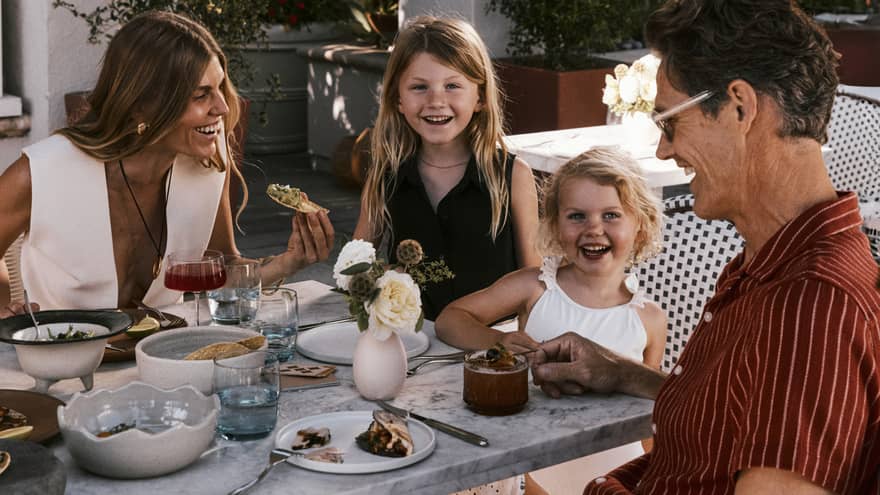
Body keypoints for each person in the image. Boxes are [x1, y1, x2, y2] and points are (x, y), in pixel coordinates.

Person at [531, 1, 880, 493]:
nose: (662, 150)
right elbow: (731, 419)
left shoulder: (811, 304)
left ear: (740, 106)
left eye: (668, 122)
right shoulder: (771, 262)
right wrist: (623, 373)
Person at [0, 11, 334, 316]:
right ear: (142, 105)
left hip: (163, 357)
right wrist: (4, 314)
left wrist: (289, 263)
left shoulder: (206, 167)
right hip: (61, 366)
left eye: (219, 88)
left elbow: (222, 268)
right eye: (200, 94)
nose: (221, 107)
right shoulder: (42, 173)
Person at [436, 147, 667, 494]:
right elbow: (450, 319)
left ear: (641, 226)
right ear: (556, 226)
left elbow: (653, 415)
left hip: (614, 471)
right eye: (577, 216)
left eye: (611, 215)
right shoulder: (535, 286)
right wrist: (496, 342)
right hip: (537, 468)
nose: (593, 229)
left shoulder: (649, 319)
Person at [352, 16, 540, 321]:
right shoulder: (385, 176)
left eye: (453, 85)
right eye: (419, 87)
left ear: (479, 97)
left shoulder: (512, 176)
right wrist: (382, 275)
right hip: (412, 345)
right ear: (397, 98)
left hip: (491, 345)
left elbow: (534, 284)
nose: (436, 100)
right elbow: (355, 266)